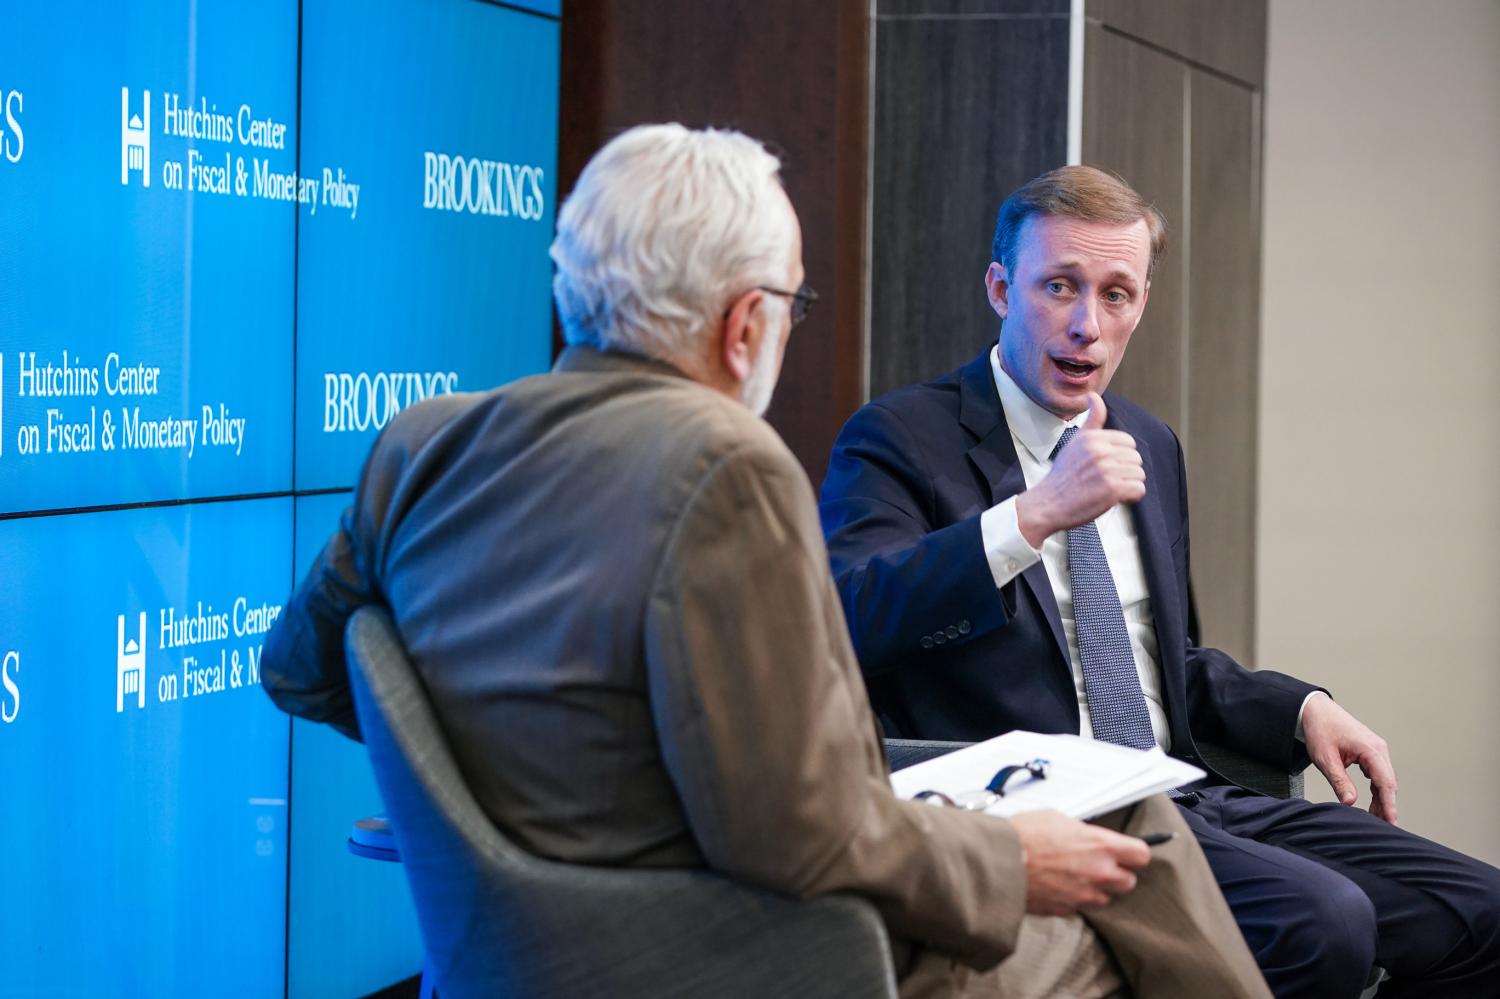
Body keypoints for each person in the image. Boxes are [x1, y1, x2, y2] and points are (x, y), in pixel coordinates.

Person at [261, 127, 1271, 998]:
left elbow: (301, 668)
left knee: (1131, 817)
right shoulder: (728, 467)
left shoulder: (419, 444)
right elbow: (797, 838)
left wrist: (482, 787)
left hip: (521, 945)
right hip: (735, 951)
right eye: (792, 306)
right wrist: (1009, 857)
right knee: (1124, 898)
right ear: (746, 325)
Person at [819, 164, 1500, 999]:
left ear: (1142, 301)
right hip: (1047, 815)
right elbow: (851, 615)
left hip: (1184, 789)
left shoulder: (1149, 440)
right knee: (1325, 920)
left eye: (1116, 294)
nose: (1086, 327)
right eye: (1059, 287)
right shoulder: (899, 436)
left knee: (1481, 914)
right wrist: (1032, 516)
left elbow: (1160, 658)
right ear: (1000, 287)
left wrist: (1298, 706)